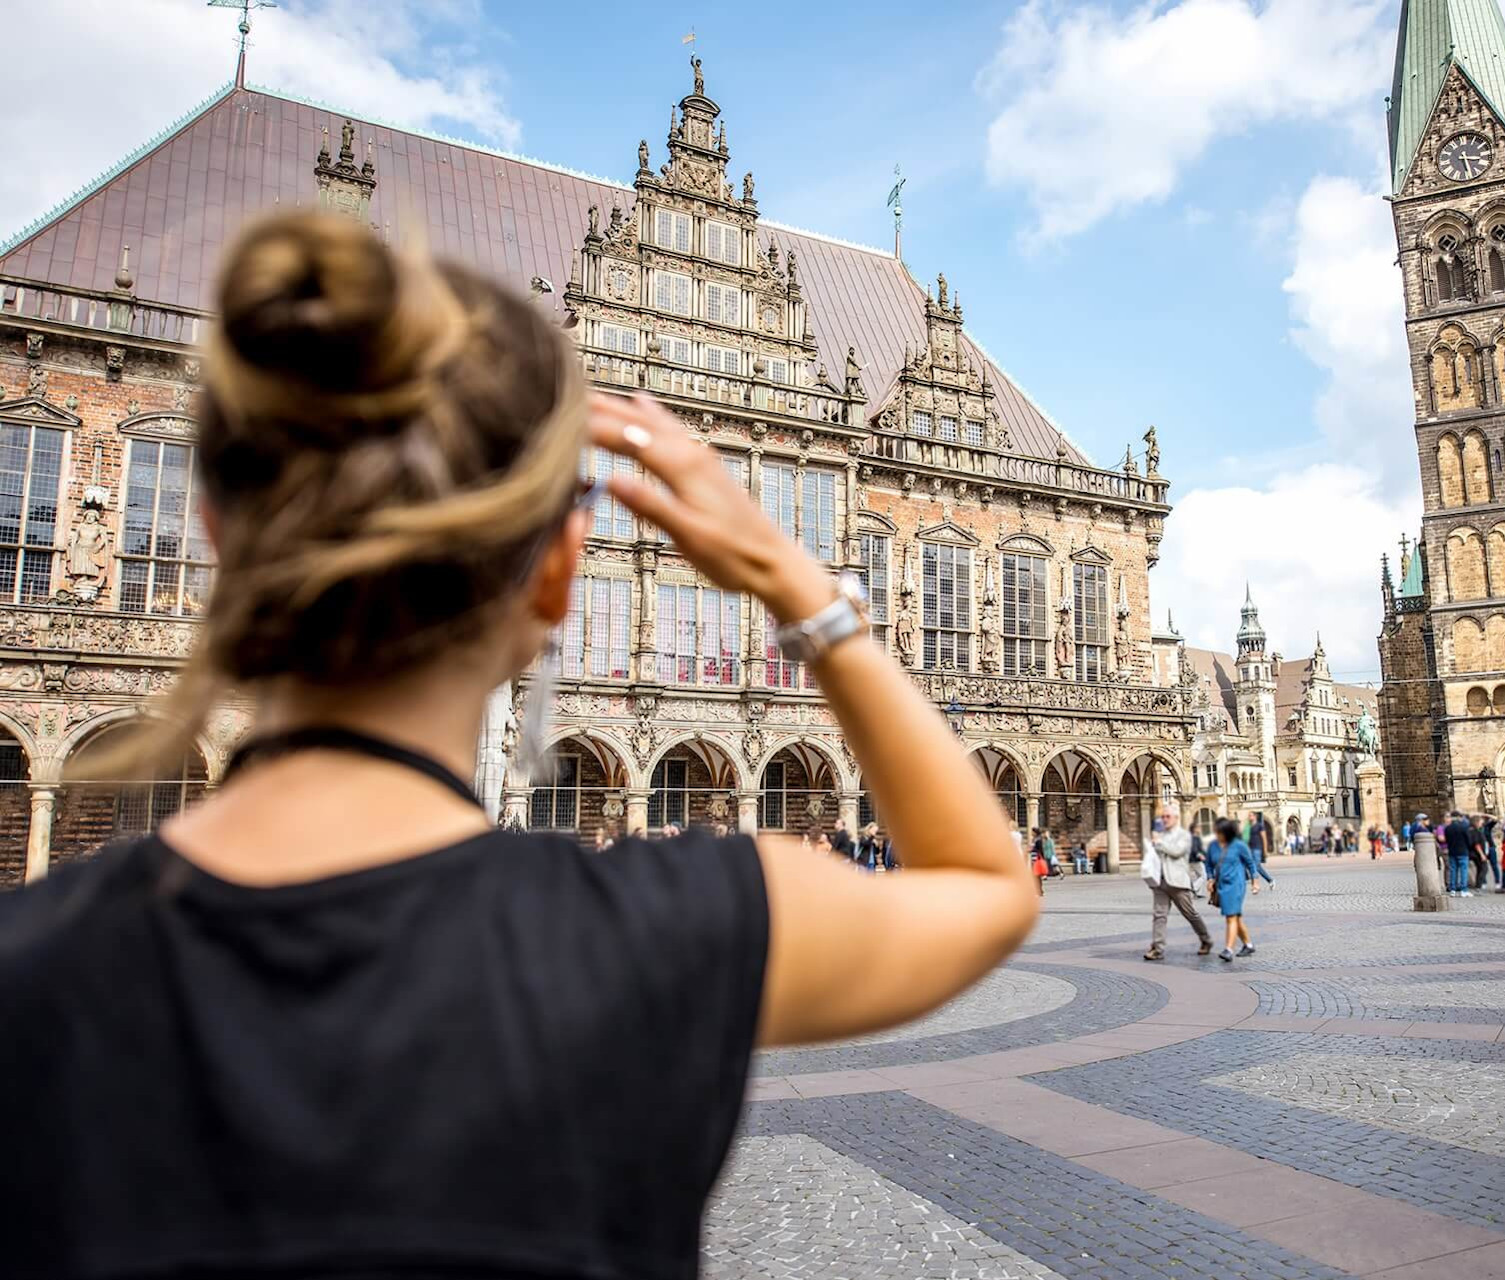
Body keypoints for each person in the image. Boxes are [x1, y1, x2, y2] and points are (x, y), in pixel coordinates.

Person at [0, 214, 1039, 1280]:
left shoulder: (27, 967)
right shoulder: (655, 931)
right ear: (556, 578)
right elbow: (986, 884)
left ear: (217, 530)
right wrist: (805, 590)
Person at [1142, 805, 1213, 961]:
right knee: (1159, 915)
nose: (1165, 819)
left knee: (1190, 914)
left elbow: (1177, 852)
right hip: (1160, 882)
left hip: (1178, 882)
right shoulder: (1161, 835)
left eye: (1168, 816)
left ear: (1176, 818)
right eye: (1163, 817)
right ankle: (1157, 948)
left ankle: (1206, 939)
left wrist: (1159, 843)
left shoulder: (1184, 835)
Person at [1203, 818, 1270, 961]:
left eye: (1219, 831)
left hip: (1236, 884)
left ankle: (1228, 949)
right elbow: (1208, 864)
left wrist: (1255, 881)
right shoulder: (1213, 846)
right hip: (1221, 885)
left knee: (1231, 916)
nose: (1216, 834)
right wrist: (1210, 878)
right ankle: (1248, 944)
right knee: (1236, 917)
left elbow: (1251, 864)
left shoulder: (1239, 846)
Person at [1441, 810, 1475, 898]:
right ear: (1459, 817)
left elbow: (1447, 840)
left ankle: (1453, 890)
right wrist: (1468, 847)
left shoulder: (1448, 828)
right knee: (1463, 870)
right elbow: (1469, 840)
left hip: (1452, 851)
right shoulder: (1464, 827)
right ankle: (1464, 890)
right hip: (1463, 851)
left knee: (1453, 870)